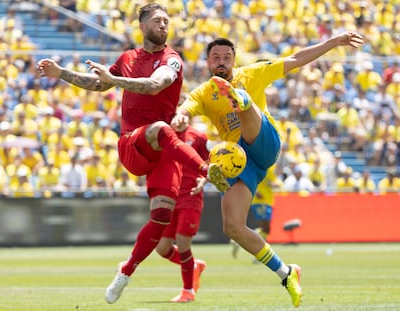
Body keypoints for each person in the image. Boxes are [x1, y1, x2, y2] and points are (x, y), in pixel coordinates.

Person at [36, 3, 228, 305]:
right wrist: (61, 73)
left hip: (165, 151)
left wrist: (116, 82)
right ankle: (208, 171)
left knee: (162, 216)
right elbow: (99, 84)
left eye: (167, 20)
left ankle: (125, 271)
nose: (164, 25)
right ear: (142, 25)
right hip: (134, 143)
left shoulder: (172, 60)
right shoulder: (127, 58)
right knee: (163, 128)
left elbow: (155, 85)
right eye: (157, 20)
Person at [171, 32, 363, 308]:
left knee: (242, 110)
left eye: (227, 57)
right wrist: (181, 116)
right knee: (233, 226)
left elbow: (296, 59)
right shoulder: (203, 92)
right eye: (216, 58)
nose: (222, 61)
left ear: (234, 60)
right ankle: (287, 273)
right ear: (208, 62)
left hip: (264, 140)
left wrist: (334, 42)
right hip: (243, 162)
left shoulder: (252, 73)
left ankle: (242, 101)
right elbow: (187, 108)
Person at [155, 123, 208, 303]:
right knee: (162, 248)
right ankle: (193, 265)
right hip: (170, 197)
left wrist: (203, 180)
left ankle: (188, 291)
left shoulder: (198, 136)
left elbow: (209, 162)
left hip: (190, 196)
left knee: (183, 241)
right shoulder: (163, 134)